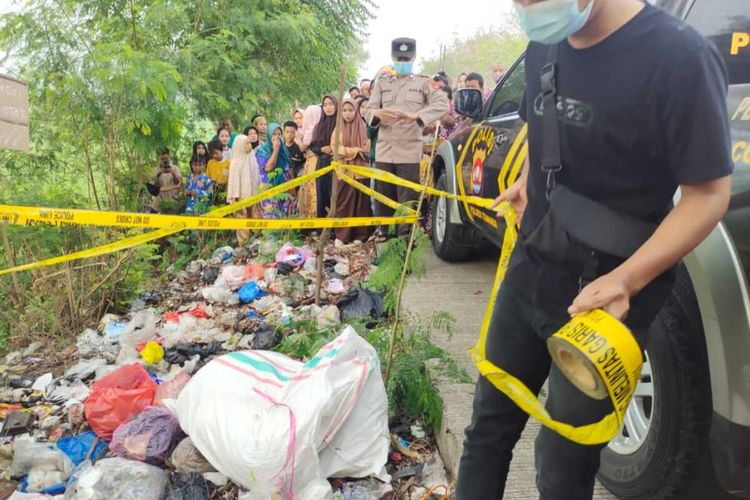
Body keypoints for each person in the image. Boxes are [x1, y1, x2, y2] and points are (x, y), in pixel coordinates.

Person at [455, 1, 733, 499]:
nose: (527, 10)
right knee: (487, 430)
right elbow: (546, 126)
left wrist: (629, 279)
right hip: (532, 269)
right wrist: (527, 182)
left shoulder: (679, 58)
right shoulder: (545, 42)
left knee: (563, 462)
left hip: (607, 302)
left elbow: (708, 195)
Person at [365, 37, 449, 237]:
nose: (402, 61)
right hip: (385, 153)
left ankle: (404, 253)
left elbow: (442, 104)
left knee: (407, 204)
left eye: (406, 58)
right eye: (399, 58)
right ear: (393, 57)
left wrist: (417, 116)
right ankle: (384, 246)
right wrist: (377, 115)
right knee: (383, 202)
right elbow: (369, 111)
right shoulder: (382, 83)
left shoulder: (424, 83)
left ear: (413, 57)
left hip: (409, 153)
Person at [332, 98, 372, 243]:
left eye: (350, 110)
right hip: (344, 173)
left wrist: (350, 152)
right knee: (343, 205)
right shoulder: (338, 129)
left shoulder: (364, 127)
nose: (347, 114)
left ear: (356, 111)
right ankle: (342, 237)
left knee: (362, 205)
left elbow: (367, 148)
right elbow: (336, 149)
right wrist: (355, 151)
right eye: (344, 110)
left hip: (362, 173)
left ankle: (360, 236)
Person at [306, 95, 338, 218]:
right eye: (325, 105)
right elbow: (312, 146)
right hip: (323, 164)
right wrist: (322, 149)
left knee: (336, 195)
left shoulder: (341, 123)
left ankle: (337, 230)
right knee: (322, 195)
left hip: (338, 163)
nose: (328, 108)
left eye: (331, 104)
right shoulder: (319, 125)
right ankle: (322, 228)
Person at [227, 134, 260, 245]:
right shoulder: (236, 163)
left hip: (253, 195)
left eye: (249, 143)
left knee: (254, 216)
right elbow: (233, 183)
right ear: (239, 146)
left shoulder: (252, 157)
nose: (249, 145)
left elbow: (257, 177)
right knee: (242, 219)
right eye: (246, 143)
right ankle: (243, 244)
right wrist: (236, 199)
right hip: (240, 197)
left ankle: (255, 240)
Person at [255, 123, 294, 219]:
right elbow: (268, 168)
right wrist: (275, 150)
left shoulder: (284, 150)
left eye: (279, 134)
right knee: (271, 215)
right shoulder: (262, 150)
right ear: (269, 135)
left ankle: (283, 234)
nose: (277, 137)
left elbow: (290, 167)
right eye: (274, 134)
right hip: (269, 187)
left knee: (284, 215)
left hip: (285, 188)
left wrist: (292, 186)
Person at [149, 147, 183, 214]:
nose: (164, 161)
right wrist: (159, 174)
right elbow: (155, 188)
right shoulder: (154, 170)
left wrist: (173, 173)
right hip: (159, 200)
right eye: (162, 159)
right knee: (152, 218)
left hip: (173, 199)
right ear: (158, 158)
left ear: (169, 157)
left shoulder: (175, 168)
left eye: (166, 159)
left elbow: (179, 184)